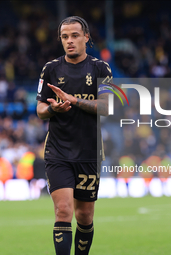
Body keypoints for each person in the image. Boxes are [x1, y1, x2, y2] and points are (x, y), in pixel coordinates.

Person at [36, 16, 112, 255]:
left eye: (75, 36)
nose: (69, 41)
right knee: (63, 211)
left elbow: (108, 107)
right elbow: (39, 110)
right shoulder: (51, 69)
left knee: (84, 216)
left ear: (86, 37)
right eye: (64, 37)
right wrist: (52, 109)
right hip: (58, 150)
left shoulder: (101, 68)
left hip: (89, 151)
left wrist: (73, 100)